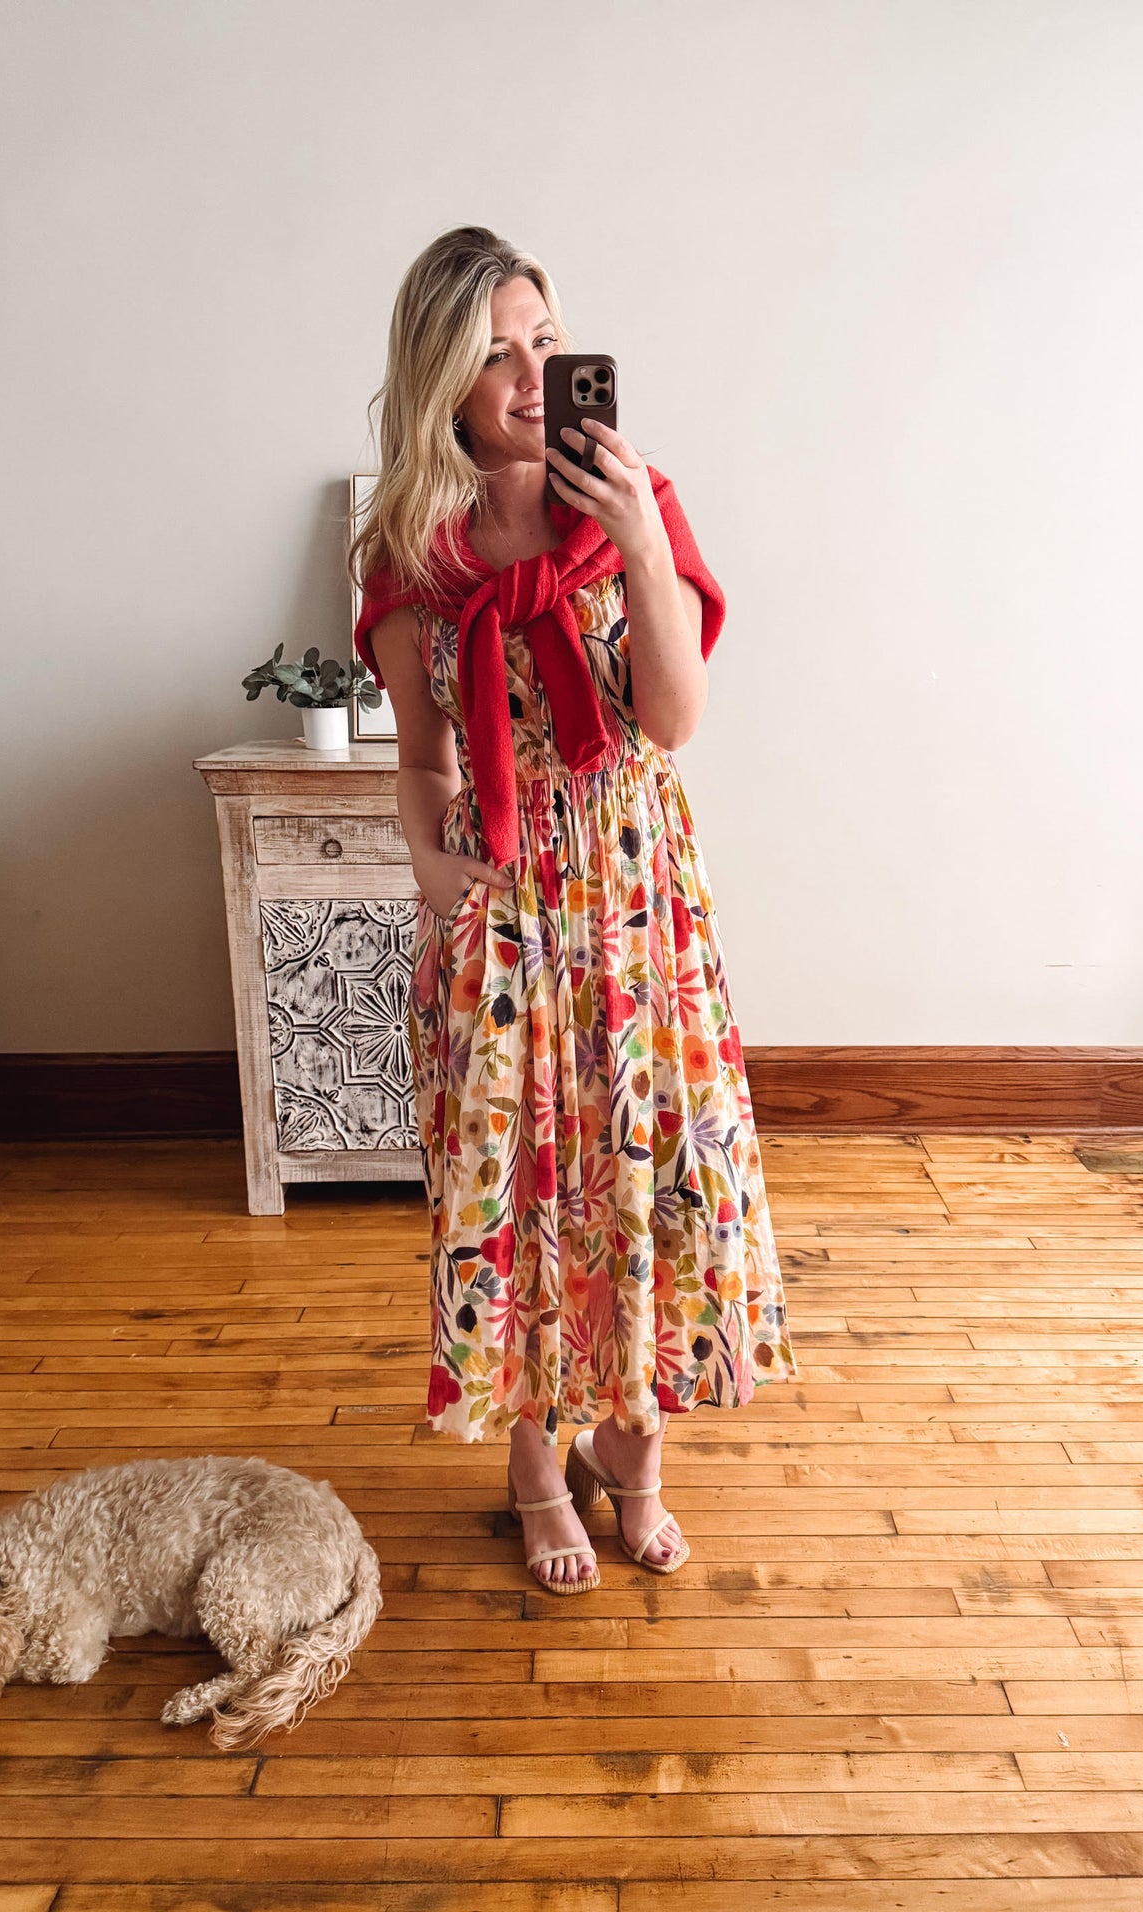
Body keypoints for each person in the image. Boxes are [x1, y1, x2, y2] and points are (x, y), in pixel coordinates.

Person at [351, 225, 795, 1596]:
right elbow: (426, 759)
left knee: (638, 1177)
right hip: (501, 910)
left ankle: (632, 1443)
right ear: (442, 384)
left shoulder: (634, 500)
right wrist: (431, 869)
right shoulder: (415, 557)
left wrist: (639, 548)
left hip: (635, 895)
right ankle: (537, 1462)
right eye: (494, 356)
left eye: (544, 341)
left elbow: (667, 719)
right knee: (524, 1189)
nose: (531, 375)